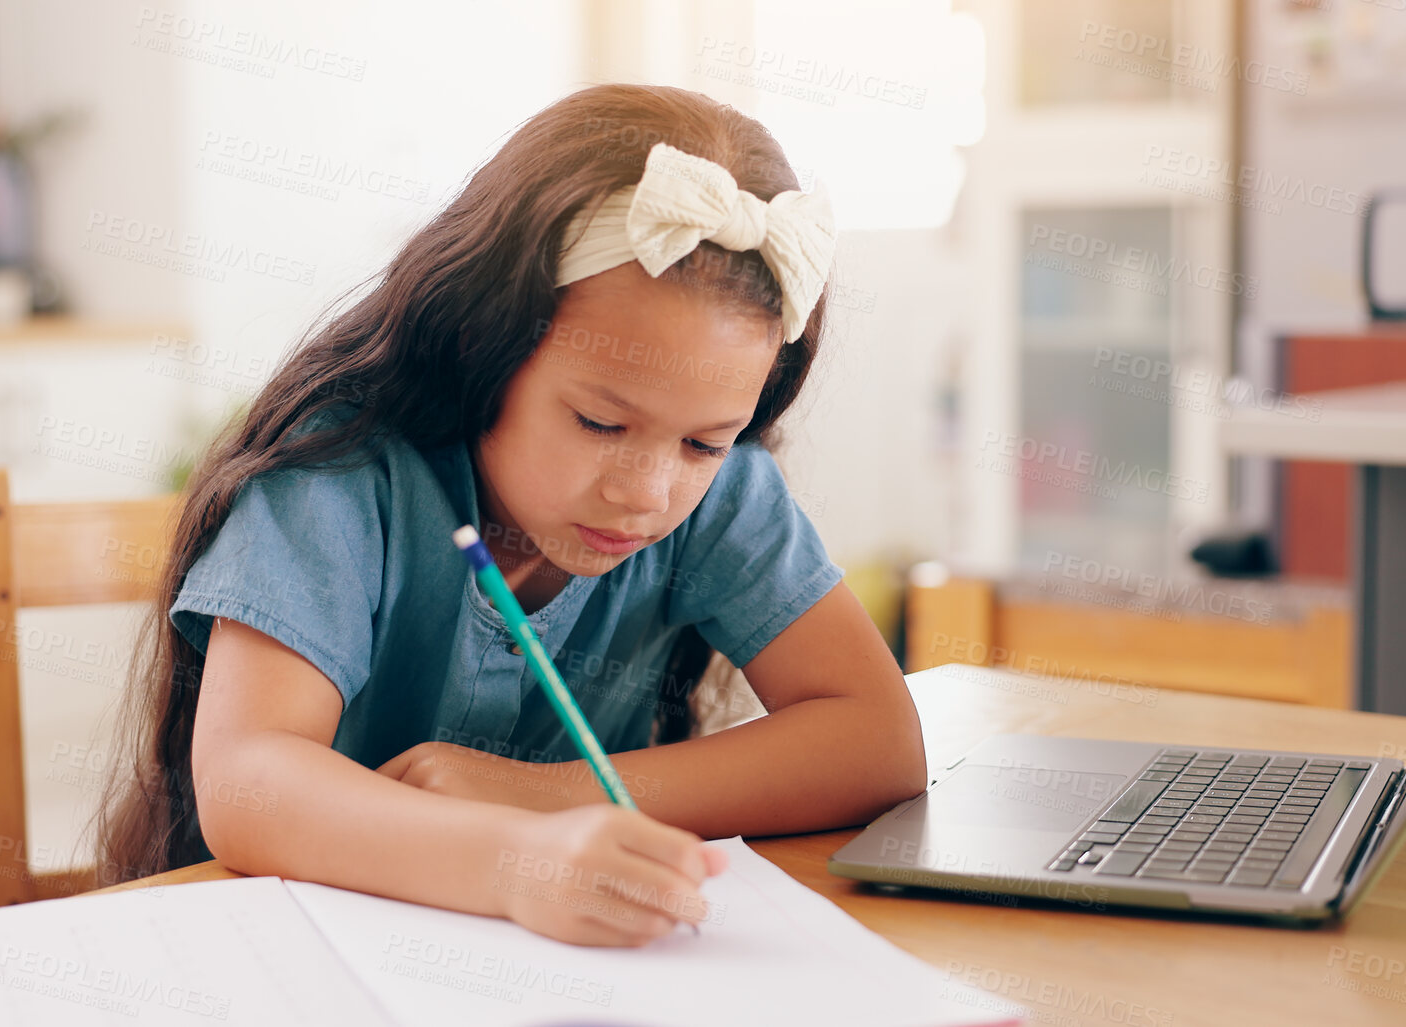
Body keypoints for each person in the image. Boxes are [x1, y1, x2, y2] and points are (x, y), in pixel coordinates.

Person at [97, 83, 927, 947]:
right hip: (279, 950)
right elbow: (248, 782)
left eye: (705, 443)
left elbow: (875, 741)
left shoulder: (721, 492)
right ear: (480, 348)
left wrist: (542, 791)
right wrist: (517, 858)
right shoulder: (338, 478)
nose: (647, 492)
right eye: (600, 423)